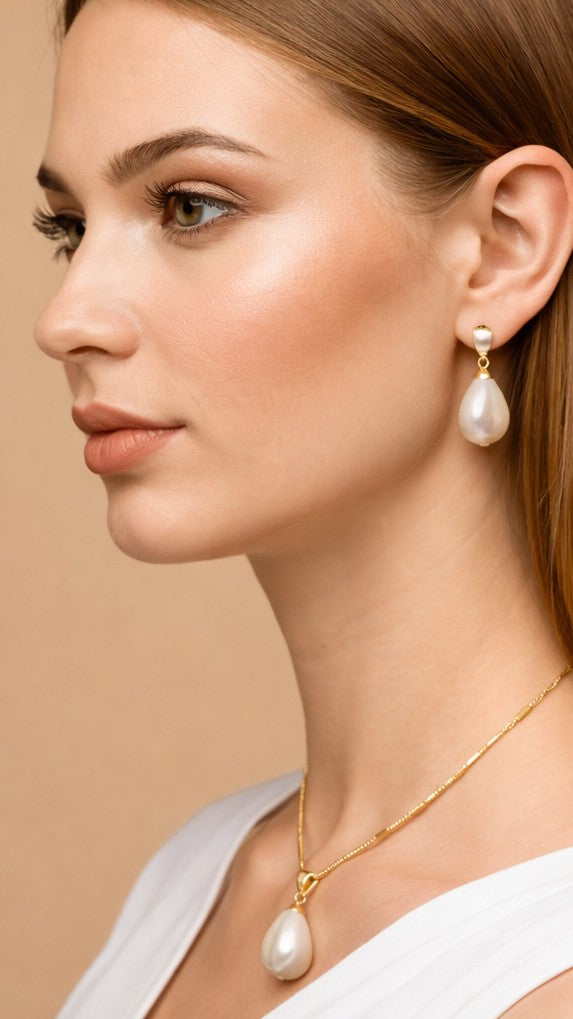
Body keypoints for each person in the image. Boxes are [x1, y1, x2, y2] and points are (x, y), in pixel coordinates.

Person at [33, 0, 573, 1015]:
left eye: (189, 206)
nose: (66, 320)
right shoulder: (198, 875)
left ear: (503, 246)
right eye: (70, 227)